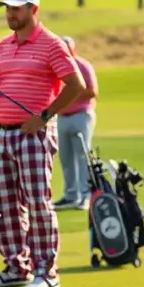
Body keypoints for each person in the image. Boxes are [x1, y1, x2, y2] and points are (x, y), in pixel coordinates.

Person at [0, 0, 85, 287]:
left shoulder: (52, 44)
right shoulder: (4, 45)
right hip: (2, 134)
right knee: (4, 204)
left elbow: (76, 85)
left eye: (16, 8)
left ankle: (47, 271)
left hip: (34, 134)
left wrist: (44, 116)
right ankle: (17, 267)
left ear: (33, 10)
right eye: (7, 7)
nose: (10, 13)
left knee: (38, 203)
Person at [53, 36, 99, 210]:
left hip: (81, 115)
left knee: (82, 156)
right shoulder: (55, 67)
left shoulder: (83, 66)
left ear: (72, 48)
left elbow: (92, 92)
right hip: (61, 116)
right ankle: (71, 195)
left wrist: (70, 93)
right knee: (66, 158)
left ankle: (85, 196)